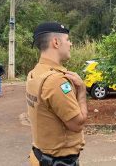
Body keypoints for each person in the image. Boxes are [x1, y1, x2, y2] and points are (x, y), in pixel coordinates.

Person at [26, 22, 87, 166]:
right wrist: (82, 91)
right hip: (59, 162)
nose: (70, 44)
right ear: (56, 42)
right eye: (68, 40)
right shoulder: (56, 81)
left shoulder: (34, 73)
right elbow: (77, 124)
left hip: (39, 156)